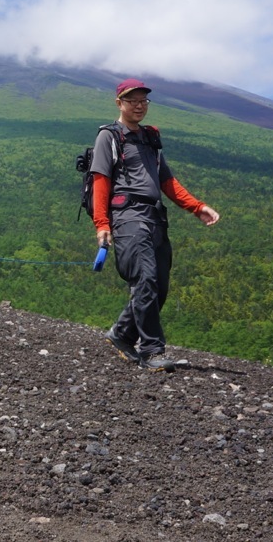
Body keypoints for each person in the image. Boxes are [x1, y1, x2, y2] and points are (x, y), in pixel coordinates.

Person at [91, 79, 219, 369]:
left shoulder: (150, 139)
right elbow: (101, 181)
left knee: (159, 286)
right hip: (127, 217)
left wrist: (196, 207)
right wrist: (102, 224)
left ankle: (122, 334)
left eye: (143, 101)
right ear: (119, 103)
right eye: (132, 100)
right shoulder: (109, 137)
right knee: (145, 279)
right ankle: (152, 351)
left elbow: (167, 182)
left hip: (155, 218)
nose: (138, 105)